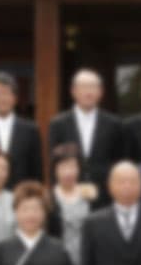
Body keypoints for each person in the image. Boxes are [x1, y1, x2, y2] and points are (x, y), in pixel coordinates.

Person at [48, 69, 126, 208]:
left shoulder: (114, 124)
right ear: (73, 91)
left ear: (100, 92)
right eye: (84, 87)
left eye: (93, 87)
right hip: (69, 196)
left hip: (105, 196)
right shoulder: (58, 124)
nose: (88, 92)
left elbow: (119, 162)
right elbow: (54, 164)